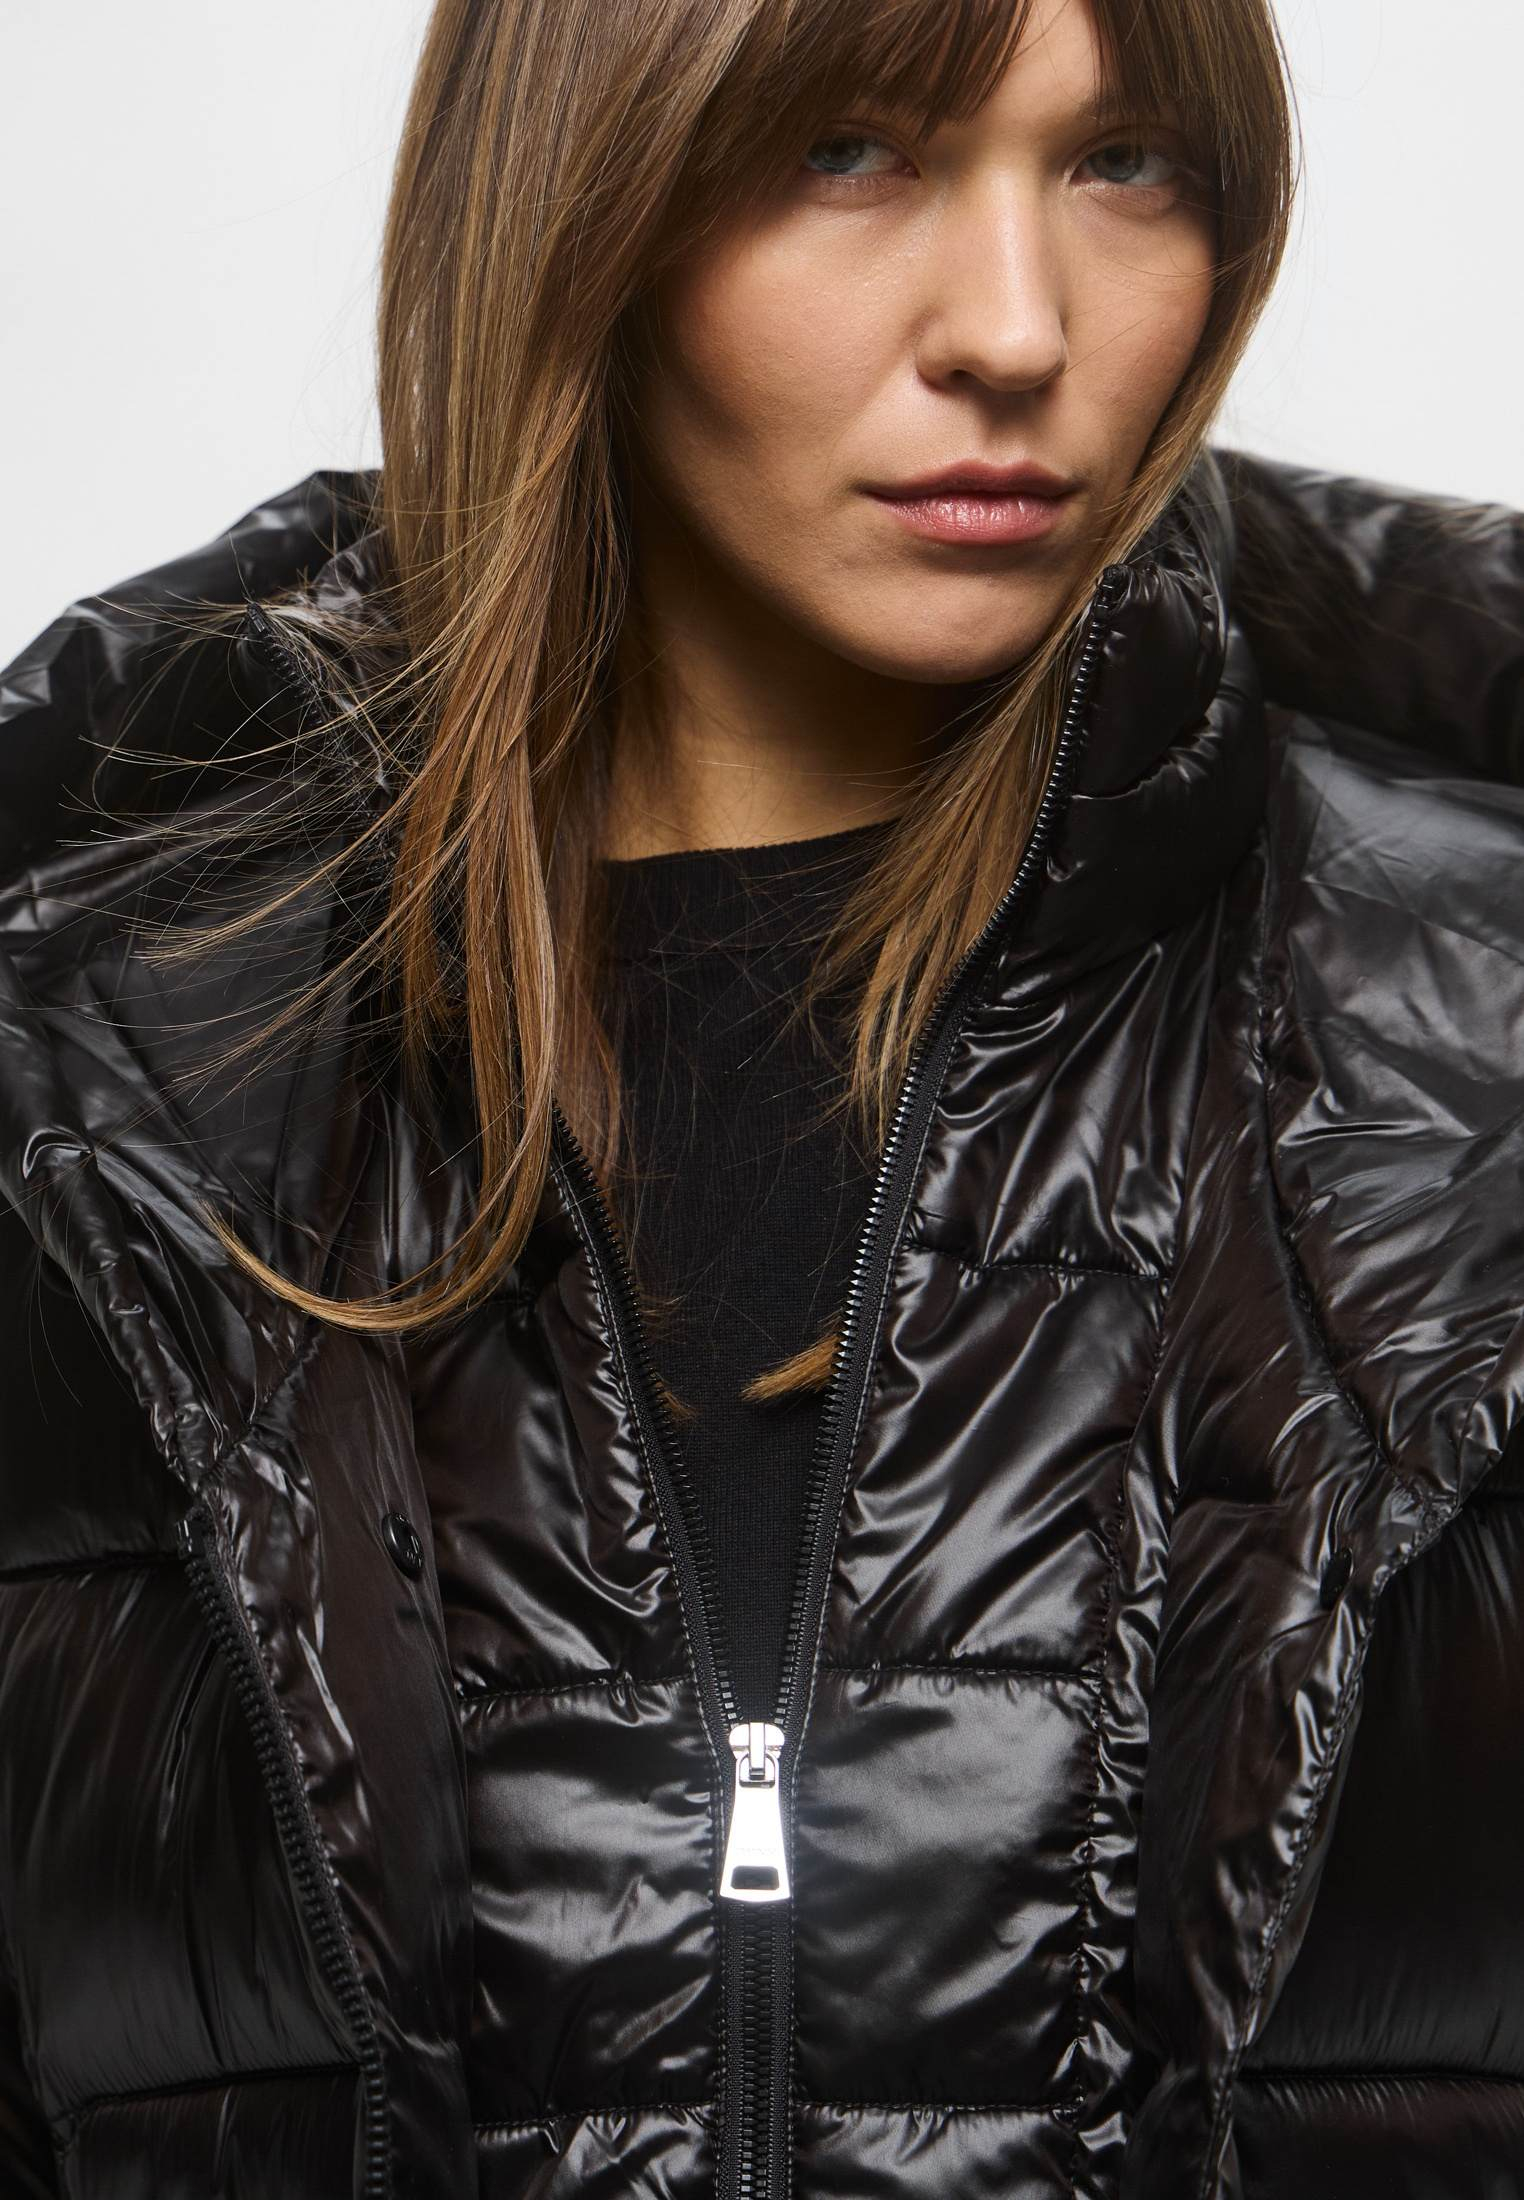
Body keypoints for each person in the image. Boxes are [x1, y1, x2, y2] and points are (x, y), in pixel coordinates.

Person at [2, 0, 1522, 2194]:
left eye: (1127, 165)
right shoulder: (96, 1099)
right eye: (846, 153)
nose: (1018, 329)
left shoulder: (1469, 1043)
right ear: (573, 202)